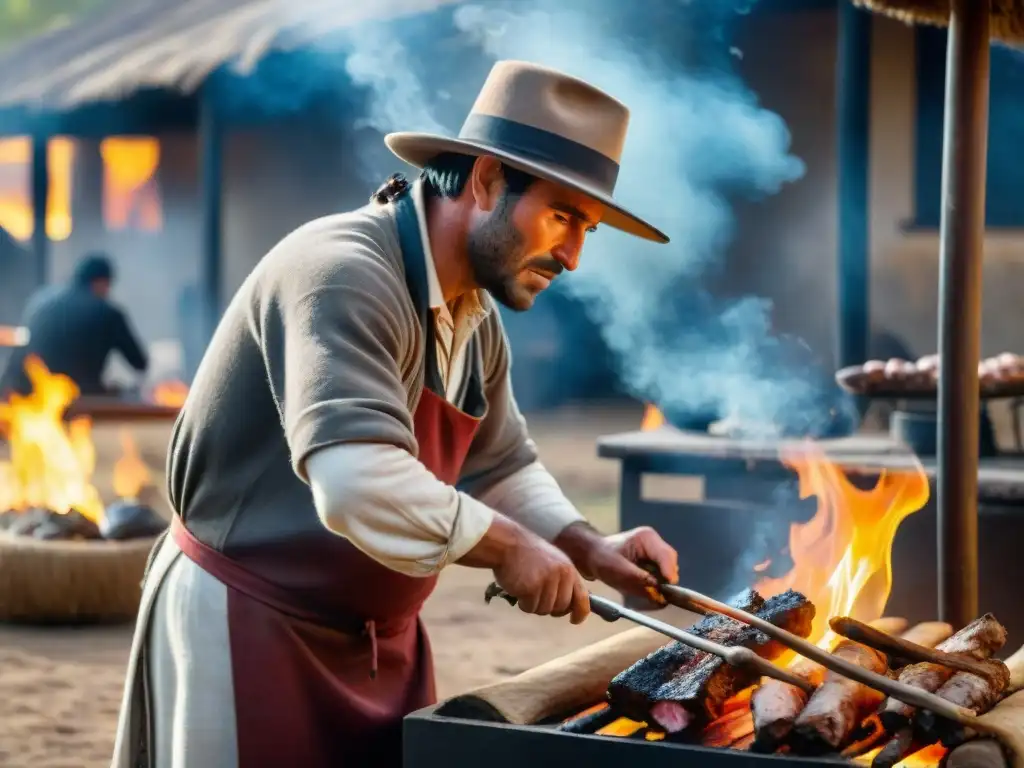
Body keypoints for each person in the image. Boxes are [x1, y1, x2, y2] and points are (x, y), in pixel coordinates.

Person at [112, 60, 680, 768]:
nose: (572, 255)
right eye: (562, 215)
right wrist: (509, 549)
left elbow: (500, 465)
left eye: (587, 228)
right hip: (247, 622)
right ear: (485, 182)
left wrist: (585, 544)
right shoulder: (343, 272)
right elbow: (354, 480)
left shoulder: (476, 315)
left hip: (380, 647)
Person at [0, 252, 148, 397]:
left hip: (29, 399)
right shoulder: (107, 312)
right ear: (101, 282)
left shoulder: (41, 303)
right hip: (80, 400)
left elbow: (19, 356)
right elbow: (139, 362)